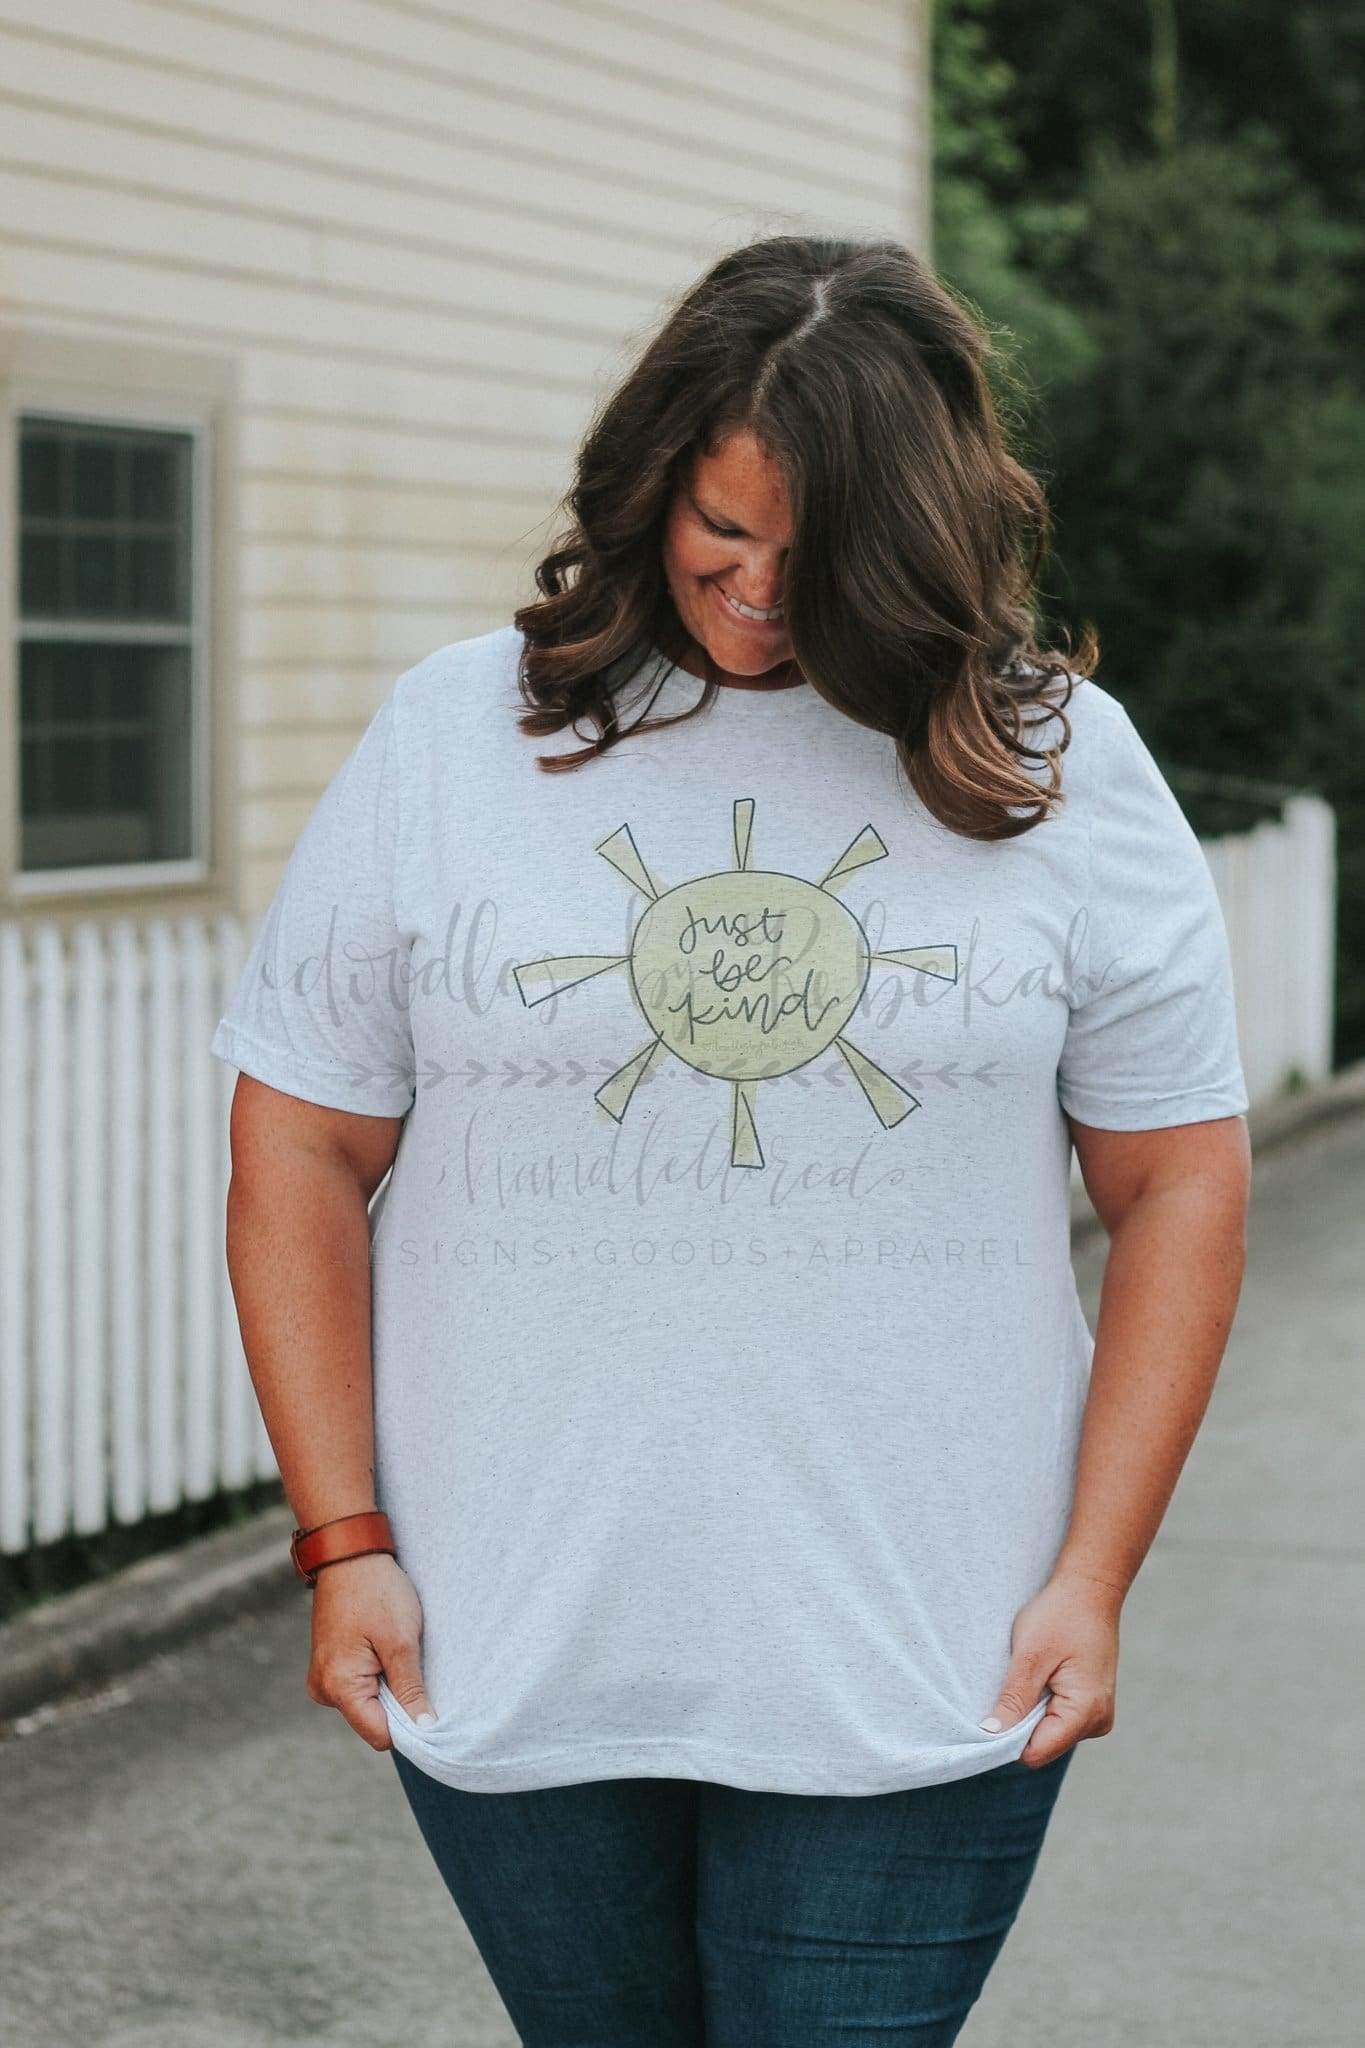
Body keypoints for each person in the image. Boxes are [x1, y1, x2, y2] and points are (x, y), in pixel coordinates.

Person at [212, 235, 1252, 2045]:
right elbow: (296, 1148)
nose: (760, 590)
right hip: (511, 1629)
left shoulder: (1056, 765)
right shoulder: (457, 736)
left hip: (927, 1649)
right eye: (721, 528)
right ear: (648, 485)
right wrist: (341, 1538)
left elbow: (1179, 1183)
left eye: (819, 553)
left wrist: (1093, 1578)